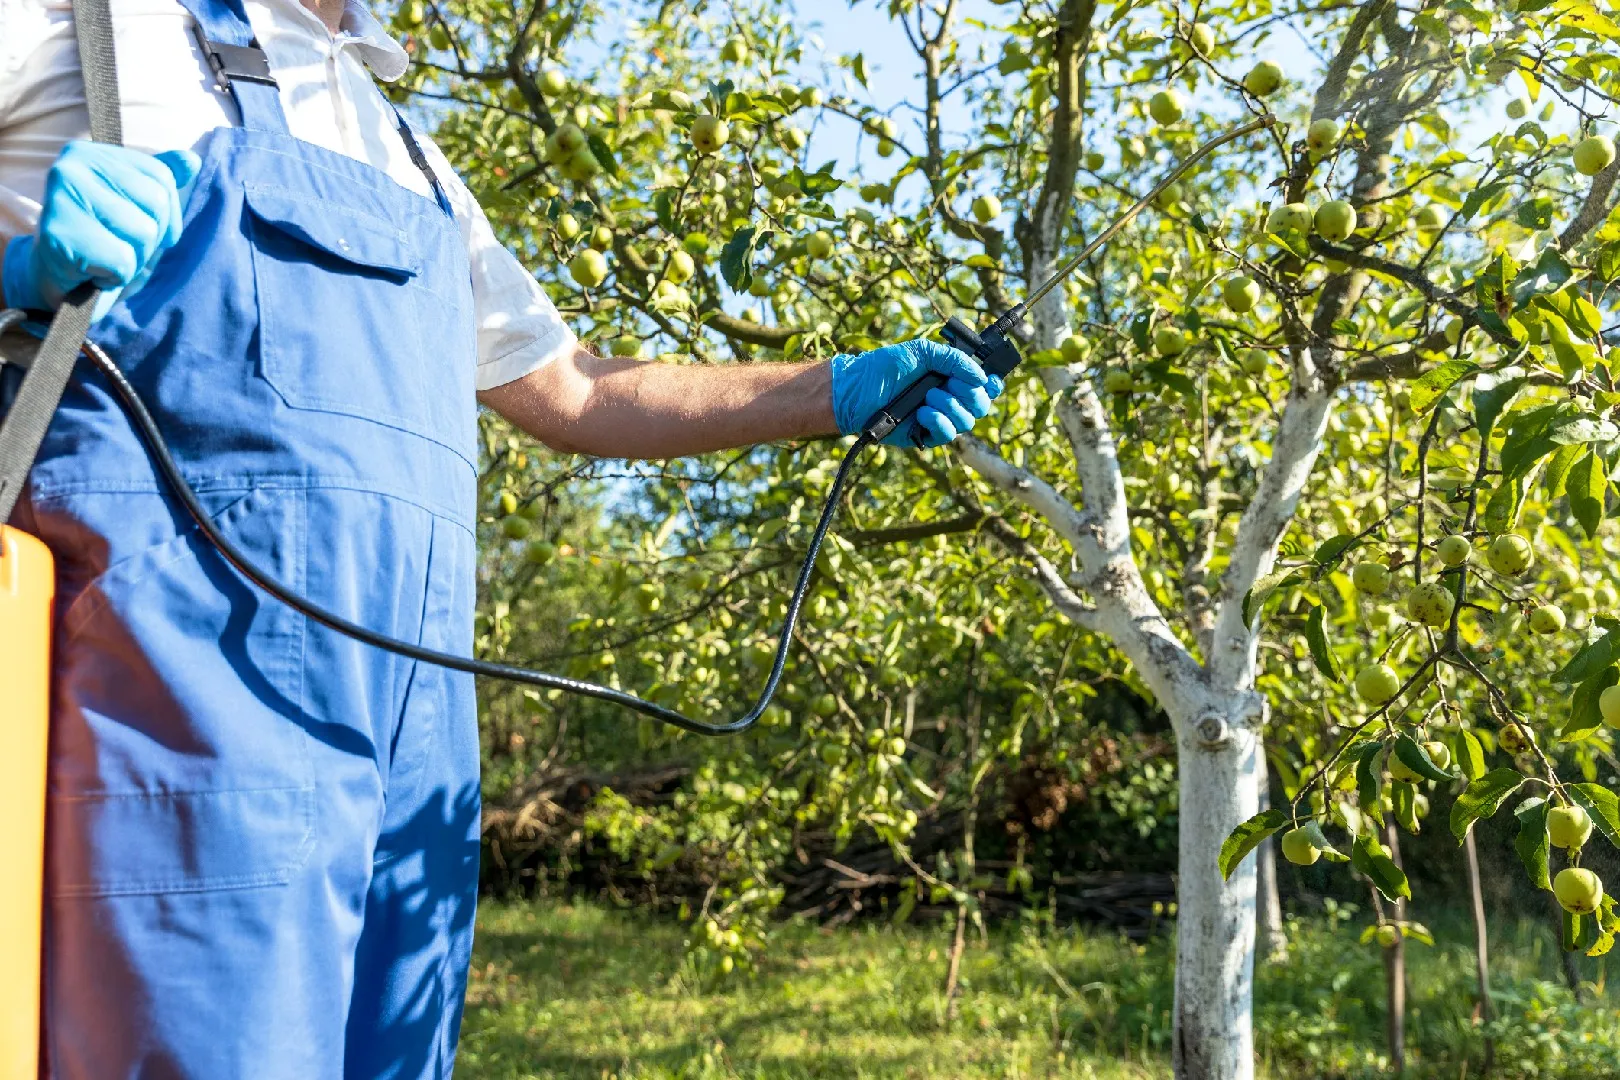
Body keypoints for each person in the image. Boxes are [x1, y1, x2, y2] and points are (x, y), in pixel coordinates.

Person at [0, 0, 1003, 1075]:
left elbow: (573, 393)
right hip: (184, 708)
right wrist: (18, 274)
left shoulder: (406, 147)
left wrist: (836, 390)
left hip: (415, 746)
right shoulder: (79, 27)